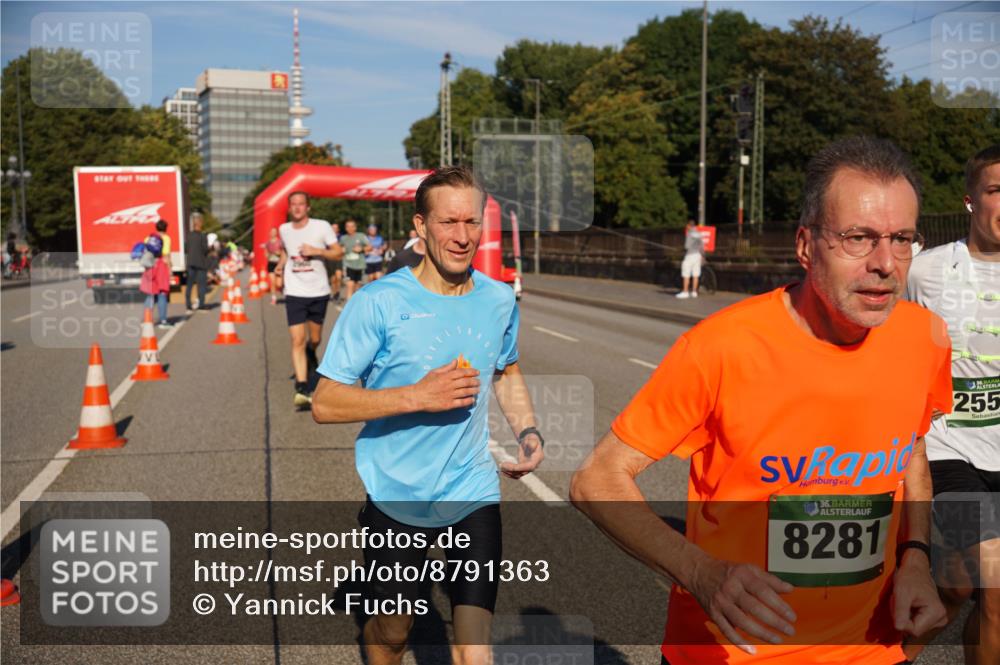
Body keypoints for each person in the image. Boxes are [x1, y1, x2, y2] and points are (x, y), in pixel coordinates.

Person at [571, 137, 951, 665]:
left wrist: (915, 557)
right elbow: (595, 480)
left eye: (902, 239)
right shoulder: (721, 346)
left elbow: (910, 449)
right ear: (804, 245)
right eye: (859, 238)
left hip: (871, 647)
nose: (886, 263)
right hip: (731, 653)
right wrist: (700, 572)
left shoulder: (925, 336)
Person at [312, 165, 544, 665]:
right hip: (398, 496)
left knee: (474, 649)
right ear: (420, 226)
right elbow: (325, 402)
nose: (462, 237)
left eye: (471, 223)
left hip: (472, 491)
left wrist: (527, 431)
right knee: (395, 634)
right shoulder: (378, 302)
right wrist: (415, 396)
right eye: (447, 223)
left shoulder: (499, 299)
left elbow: (505, 371)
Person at [904, 144, 1000, 665]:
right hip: (948, 447)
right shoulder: (929, 273)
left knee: (962, 587)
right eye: (996, 190)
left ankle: (885, 656)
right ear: (970, 200)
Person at [274, 192, 343, 408]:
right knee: (297, 340)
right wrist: (280, 264)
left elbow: (338, 253)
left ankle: (312, 352)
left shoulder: (321, 226)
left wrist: (316, 250)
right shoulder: (283, 230)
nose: (297, 208)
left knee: (314, 339)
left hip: (318, 290)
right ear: (289, 208)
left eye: (301, 204)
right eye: (293, 204)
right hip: (294, 291)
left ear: (308, 208)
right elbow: (286, 252)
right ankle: (302, 388)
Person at [140, 219, 172, 328]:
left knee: (150, 294)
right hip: (161, 266)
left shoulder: (148, 238)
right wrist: (170, 269)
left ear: (156, 227)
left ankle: (147, 320)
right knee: (162, 293)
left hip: (150, 266)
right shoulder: (166, 238)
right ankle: (163, 321)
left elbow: (145, 252)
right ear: (165, 228)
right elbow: (166, 255)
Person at [185, 213, 209, 313]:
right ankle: (201, 305)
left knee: (189, 285)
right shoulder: (203, 236)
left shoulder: (189, 236)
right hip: (201, 264)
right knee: (201, 285)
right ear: (200, 224)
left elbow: (186, 249)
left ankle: (188, 305)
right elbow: (205, 250)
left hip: (191, 263)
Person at [340, 218, 369, 301]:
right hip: (348, 265)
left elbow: (370, 247)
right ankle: (348, 306)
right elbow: (339, 249)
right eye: (348, 226)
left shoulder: (361, 236)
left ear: (355, 227)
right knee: (350, 285)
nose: (350, 228)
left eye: (352, 226)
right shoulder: (343, 238)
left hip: (360, 265)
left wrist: (361, 249)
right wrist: (341, 251)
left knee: (357, 287)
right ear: (345, 228)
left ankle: (356, 305)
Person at [676, 220, 703, 299]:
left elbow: (687, 246)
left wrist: (682, 249)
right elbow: (702, 245)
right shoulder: (698, 233)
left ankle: (685, 291)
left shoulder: (689, 234)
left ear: (689, 226)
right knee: (695, 274)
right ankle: (694, 292)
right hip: (697, 255)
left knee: (686, 273)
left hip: (690, 255)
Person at [262, 227, 283, 305]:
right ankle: (273, 298)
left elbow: (284, 253)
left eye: (274, 232)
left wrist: (279, 253)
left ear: (276, 233)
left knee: (279, 284)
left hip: (279, 264)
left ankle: (282, 288)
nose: (273, 233)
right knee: (272, 282)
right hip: (271, 264)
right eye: (271, 232)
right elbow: (266, 253)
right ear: (270, 233)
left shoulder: (280, 242)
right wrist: (268, 255)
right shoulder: (268, 243)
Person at [327, 222, 344, 301]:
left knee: (339, 277)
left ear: (338, 229)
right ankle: (334, 293)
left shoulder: (341, 237)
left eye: (335, 228)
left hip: (339, 259)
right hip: (330, 260)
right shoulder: (327, 237)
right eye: (332, 228)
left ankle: (338, 293)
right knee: (333, 279)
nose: (334, 229)